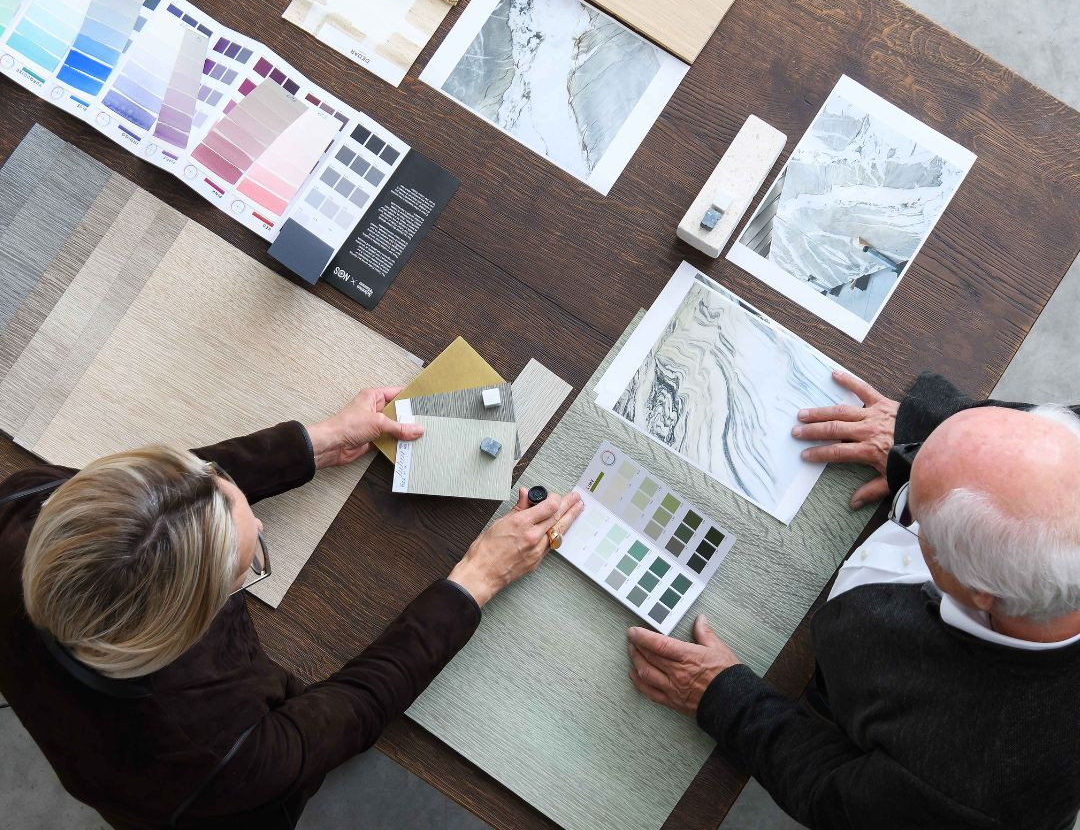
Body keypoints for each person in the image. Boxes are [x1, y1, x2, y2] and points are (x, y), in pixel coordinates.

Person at [0, 386, 582, 829]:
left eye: (224, 488)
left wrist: (313, 441)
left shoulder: (24, 506)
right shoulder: (224, 753)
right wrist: (477, 577)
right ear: (189, 625)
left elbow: (163, 497)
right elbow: (353, 709)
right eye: (247, 563)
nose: (256, 519)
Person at [625, 372, 1080, 830]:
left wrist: (727, 702)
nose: (902, 464)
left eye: (919, 510)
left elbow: (833, 796)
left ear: (983, 588)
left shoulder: (970, 786)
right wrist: (918, 436)